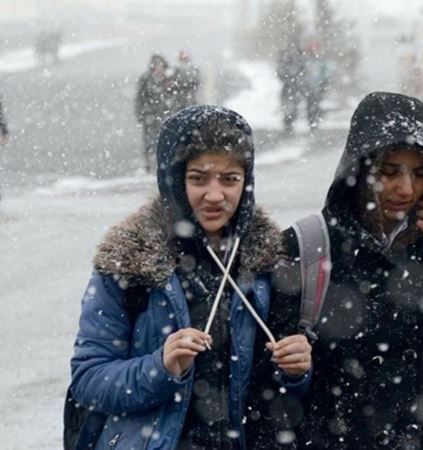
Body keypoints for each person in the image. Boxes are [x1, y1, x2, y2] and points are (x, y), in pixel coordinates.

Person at [67, 105, 312, 449]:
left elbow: (277, 393)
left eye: (230, 179)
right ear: (175, 180)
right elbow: (89, 380)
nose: (215, 195)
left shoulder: (269, 261)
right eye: (198, 178)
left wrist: (296, 371)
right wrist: (161, 366)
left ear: (247, 181)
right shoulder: (129, 259)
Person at [270, 92, 423, 449]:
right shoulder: (308, 245)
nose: (406, 189)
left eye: (420, 173)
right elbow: (265, 381)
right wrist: (294, 364)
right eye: (389, 172)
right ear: (358, 170)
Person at [135, 54, 174, 173]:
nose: (159, 69)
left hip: (165, 115)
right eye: (156, 66)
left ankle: (165, 163)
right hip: (150, 116)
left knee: (166, 140)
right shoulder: (146, 79)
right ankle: (150, 164)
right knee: (150, 141)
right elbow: (140, 98)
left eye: (161, 66)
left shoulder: (169, 78)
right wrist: (141, 114)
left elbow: (177, 95)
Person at [276, 42, 306, 136]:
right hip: (288, 87)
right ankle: (288, 124)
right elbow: (280, 72)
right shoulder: (285, 62)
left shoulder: (299, 62)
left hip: (295, 88)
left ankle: (290, 123)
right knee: (287, 107)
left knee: (293, 107)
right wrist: (288, 79)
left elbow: (303, 72)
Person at [302, 40, 331, 130]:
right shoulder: (306, 61)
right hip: (308, 86)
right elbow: (303, 72)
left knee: (316, 103)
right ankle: (311, 120)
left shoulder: (321, 61)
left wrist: (324, 84)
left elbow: (326, 73)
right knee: (310, 103)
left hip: (319, 86)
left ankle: (315, 119)